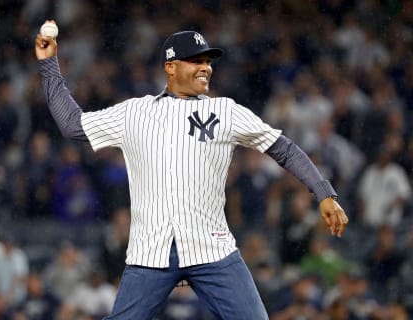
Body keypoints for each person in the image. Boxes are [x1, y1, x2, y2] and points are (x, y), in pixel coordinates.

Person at [35, 22, 348, 319]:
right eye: (194, 61)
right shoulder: (135, 113)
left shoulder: (225, 111)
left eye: (208, 61)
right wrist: (49, 65)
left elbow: (283, 148)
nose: (205, 67)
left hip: (212, 248)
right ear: (170, 67)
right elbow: (72, 124)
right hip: (151, 253)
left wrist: (323, 192)